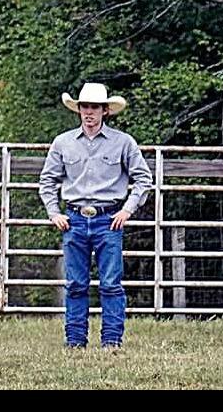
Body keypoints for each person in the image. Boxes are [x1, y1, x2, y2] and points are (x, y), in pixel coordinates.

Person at [38, 82, 153, 349]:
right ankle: (75, 341)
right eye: (85, 107)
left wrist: (127, 209)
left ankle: (111, 340)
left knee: (111, 284)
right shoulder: (63, 142)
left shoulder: (123, 142)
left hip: (108, 218)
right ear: (78, 110)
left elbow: (143, 178)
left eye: (94, 108)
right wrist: (54, 212)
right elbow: (47, 180)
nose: (89, 113)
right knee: (76, 283)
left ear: (105, 111)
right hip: (74, 219)